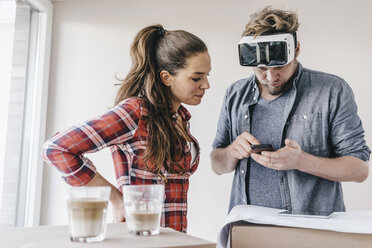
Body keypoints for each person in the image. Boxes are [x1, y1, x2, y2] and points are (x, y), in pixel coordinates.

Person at [42, 24, 211, 233]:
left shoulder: (181, 118)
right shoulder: (136, 112)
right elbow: (56, 149)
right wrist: (115, 199)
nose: (206, 85)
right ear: (167, 77)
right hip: (138, 239)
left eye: (207, 76)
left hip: (173, 240)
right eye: (196, 78)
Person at [211, 6, 370, 214]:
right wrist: (232, 151)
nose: (270, 77)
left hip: (310, 232)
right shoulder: (235, 94)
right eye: (261, 69)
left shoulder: (332, 91)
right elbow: (217, 164)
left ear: (296, 49)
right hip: (247, 228)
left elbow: (359, 169)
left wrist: (301, 161)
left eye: (279, 67)